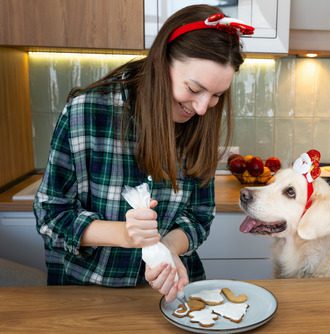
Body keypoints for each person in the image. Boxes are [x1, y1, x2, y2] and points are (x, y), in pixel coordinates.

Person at [33, 4, 253, 303]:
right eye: (193, 88)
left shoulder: (201, 122)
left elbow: (199, 217)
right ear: (162, 64)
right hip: (86, 291)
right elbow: (50, 215)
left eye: (215, 96)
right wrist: (125, 234)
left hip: (170, 292)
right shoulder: (87, 111)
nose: (202, 108)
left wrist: (168, 248)